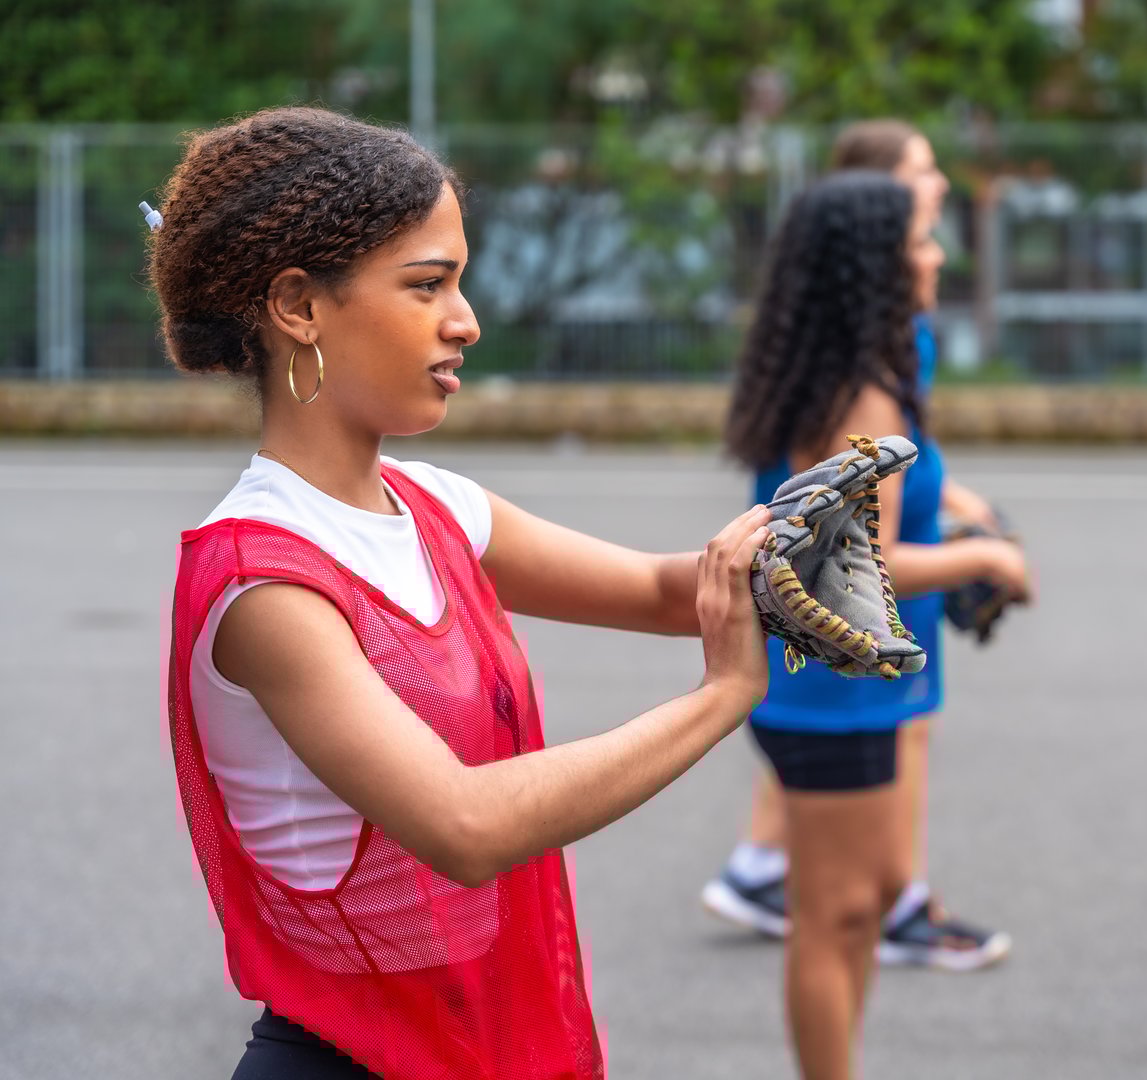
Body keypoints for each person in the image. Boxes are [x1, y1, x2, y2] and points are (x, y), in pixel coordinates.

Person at [152, 106, 772, 1079]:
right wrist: (721, 698)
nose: (466, 320)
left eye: (460, 281)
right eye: (427, 284)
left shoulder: (434, 504)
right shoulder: (263, 579)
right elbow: (466, 827)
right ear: (299, 307)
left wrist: (799, 545)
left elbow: (669, 589)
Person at [717, 171, 1033, 1080]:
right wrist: (989, 560)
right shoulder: (862, 399)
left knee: (865, 901)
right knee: (837, 913)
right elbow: (861, 566)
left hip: (853, 682)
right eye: (924, 240)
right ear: (877, 269)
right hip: (831, 691)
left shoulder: (859, 376)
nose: (938, 255)